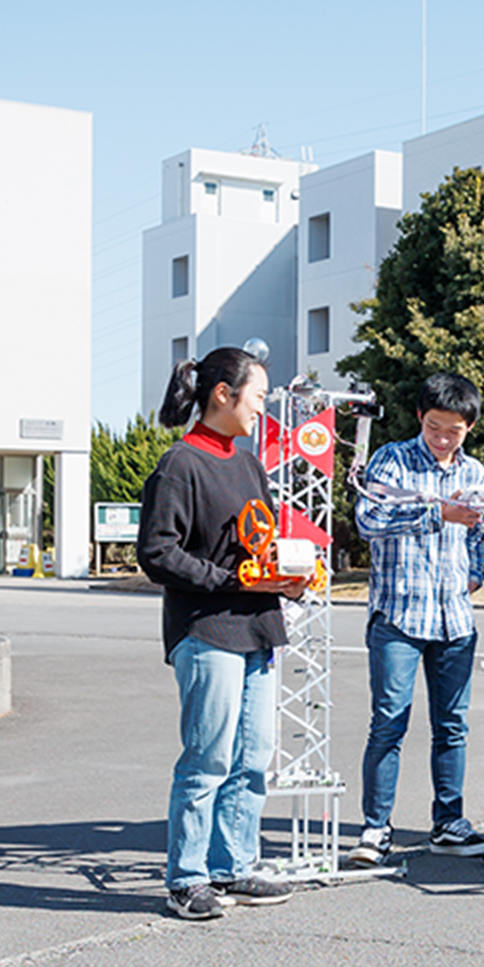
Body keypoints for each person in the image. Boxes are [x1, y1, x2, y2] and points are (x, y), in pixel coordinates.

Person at [138, 346, 306, 920]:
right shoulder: (179, 464)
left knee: (252, 757)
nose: (263, 407)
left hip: (257, 624)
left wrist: (286, 576)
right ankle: (187, 878)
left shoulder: (247, 460)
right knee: (207, 758)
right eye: (257, 397)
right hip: (207, 628)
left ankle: (232, 865)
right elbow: (157, 552)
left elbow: (260, 541)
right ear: (222, 395)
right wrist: (227, 578)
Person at [348, 373, 484, 866]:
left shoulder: (475, 473)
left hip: (455, 618)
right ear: (420, 417)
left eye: (452, 431)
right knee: (389, 724)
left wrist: (476, 574)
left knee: (452, 725)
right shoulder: (391, 459)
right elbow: (368, 521)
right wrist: (438, 514)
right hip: (398, 613)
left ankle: (449, 823)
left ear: (469, 428)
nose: (441, 438)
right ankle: (375, 828)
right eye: (434, 426)